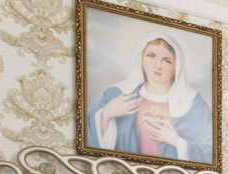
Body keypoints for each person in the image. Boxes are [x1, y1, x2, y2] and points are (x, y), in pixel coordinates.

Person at [86, 29, 213, 165]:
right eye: (151, 56)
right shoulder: (117, 94)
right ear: (140, 58)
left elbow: (211, 151)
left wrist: (177, 142)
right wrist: (105, 114)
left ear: (177, 66)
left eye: (167, 61)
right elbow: (86, 137)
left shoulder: (192, 103)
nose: (157, 66)